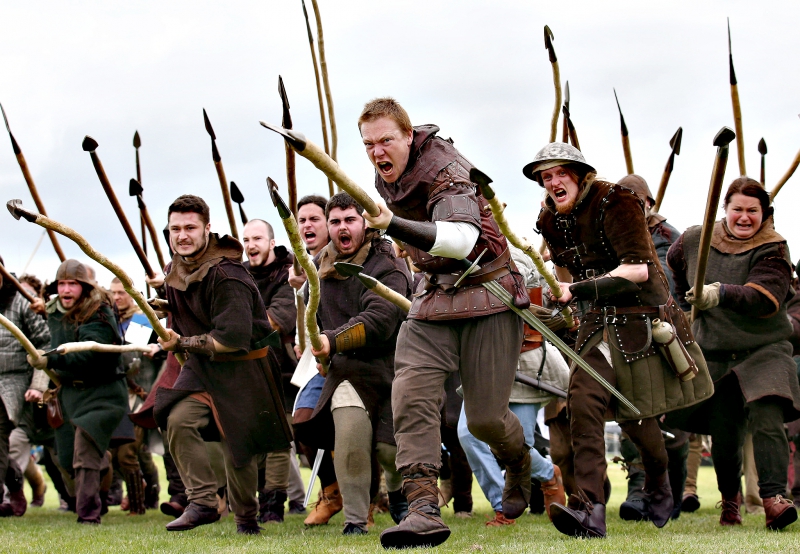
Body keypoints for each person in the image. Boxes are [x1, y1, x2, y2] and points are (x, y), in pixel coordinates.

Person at [358, 98, 530, 549]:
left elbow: (461, 239)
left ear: (409, 136)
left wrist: (393, 225)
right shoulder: (386, 173)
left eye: (386, 141)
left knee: (486, 420)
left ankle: (519, 465)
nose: (377, 152)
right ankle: (422, 510)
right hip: (433, 296)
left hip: (488, 296)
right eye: (369, 144)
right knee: (409, 394)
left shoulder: (446, 167)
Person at [529, 142, 713, 538]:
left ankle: (660, 483)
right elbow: (563, 274)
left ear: (580, 174)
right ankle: (590, 509)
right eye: (546, 177)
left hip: (644, 321)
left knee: (637, 418)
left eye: (561, 172)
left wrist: (576, 290)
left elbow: (639, 271)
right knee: (582, 400)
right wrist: (545, 296)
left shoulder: (619, 201)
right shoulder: (550, 218)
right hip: (596, 322)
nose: (553, 182)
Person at [148, 194, 292, 534]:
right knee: (175, 417)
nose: (182, 235)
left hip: (245, 368)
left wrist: (180, 342)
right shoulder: (175, 268)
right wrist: (162, 307)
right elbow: (194, 306)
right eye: (175, 229)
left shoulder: (227, 275)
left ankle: (246, 518)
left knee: (237, 449)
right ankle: (202, 502)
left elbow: (232, 338)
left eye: (190, 228)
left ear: (207, 229)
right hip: (203, 368)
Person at [666, 176, 800, 530]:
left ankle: (773, 498)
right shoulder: (697, 237)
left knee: (767, 412)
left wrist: (719, 293)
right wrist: (684, 299)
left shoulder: (774, 248)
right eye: (737, 209)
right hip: (714, 349)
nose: (744, 217)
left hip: (765, 347)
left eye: (752, 211)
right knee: (725, 430)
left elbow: (765, 297)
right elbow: (674, 260)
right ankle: (730, 503)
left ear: (764, 214)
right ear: (724, 209)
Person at [295, 192, 410, 535]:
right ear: (328, 227)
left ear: (365, 224)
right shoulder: (317, 267)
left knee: (389, 452)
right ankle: (355, 520)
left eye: (350, 220)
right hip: (346, 371)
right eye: (335, 221)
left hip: (393, 368)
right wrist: (320, 347)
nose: (342, 227)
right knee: (350, 439)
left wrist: (332, 340)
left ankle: (398, 491)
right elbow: (310, 315)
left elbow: (381, 319)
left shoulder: (388, 265)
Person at [457, 246, 568, 526]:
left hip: (527, 359)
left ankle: (541, 482)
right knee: (468, 434)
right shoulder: (458, 255)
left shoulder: (521, 256)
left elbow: (549, 311)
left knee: (520, 444)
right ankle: (504, 502)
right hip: (485, 362)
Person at [27, 259, 129, 524]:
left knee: (84, 451)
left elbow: (89, 353)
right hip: (69, 395)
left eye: (72, 283)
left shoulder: (99, 311)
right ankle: (101, 466)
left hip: (103, 393)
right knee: (67, 456)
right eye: (61, 284)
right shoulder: (55, 313)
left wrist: (49, 359)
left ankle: (88, 515)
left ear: (83, 286)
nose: (66, 289)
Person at [614, 174, 691, 522]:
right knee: (635, 414)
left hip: (668, 335)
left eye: (635, 201)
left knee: (670, 418)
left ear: (649, 203)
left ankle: (670, 494)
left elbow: (666, 289)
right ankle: (639, 491)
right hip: (629, 337)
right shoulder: (613, 235)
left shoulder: (667, 239)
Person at [242, 218, 306, 522]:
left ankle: (273, 507)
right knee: (253, 440)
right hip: (244, 369)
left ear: (271, 242)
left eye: (257, 239)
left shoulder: (288, 273)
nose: (251, 245)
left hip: (279, 368)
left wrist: (235, 322)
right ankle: (261, 502)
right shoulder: (240, 274)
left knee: (280, 440)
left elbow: (279, 319)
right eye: (246, 240)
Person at [288, 194, 343, 527]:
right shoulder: (305, 274)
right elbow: (304, 322)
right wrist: (300, 343)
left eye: (314, 219)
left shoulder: (343, 261)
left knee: (356, 430)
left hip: (353, 357)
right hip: (317, 364)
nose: (307, 225)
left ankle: (366, 500)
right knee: (304, 422)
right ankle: (333, 493)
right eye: (301, 220)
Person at [0, 256, 50, 517]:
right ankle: (15, 481)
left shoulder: (21, 302)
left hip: (14, 382)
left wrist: (39, 385)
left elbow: (44, 345)